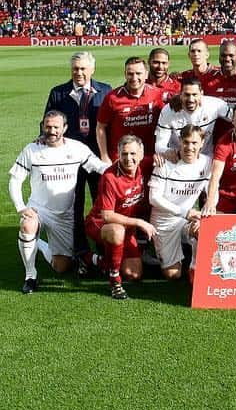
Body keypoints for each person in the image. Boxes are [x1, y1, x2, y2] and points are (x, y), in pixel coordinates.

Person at [9, 110, 109, 294]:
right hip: (39, 210)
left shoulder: (77, 148)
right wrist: (21, 207)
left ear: (65, 128)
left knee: (62, 267)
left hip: (65, 215)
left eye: (56, 127)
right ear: (42, 127)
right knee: (28, 226)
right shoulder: (32, 149)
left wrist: (121, 168)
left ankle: (37, 244)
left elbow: (98, 166)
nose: (52, 131)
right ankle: (30, 276)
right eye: (48, 127)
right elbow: (15, 179)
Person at [43, 51, 112, 258]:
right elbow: (47, 121)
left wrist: (107, 154)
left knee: (101, 203)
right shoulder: (58, 93)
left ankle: (103, 248)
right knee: (74, 206)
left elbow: (110, 124)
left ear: (92, 69)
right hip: (69, 161)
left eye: (83, 68)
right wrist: (42, 138)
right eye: (75, 68)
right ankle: (81, 251)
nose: (79, 72)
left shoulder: (105, 90)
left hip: (98, 158)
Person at [83, 135, 154, 300]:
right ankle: (115, 281)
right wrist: (139, 222)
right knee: (117, 231)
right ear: (118, 154)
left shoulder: (145, 165)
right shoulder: (110, 177)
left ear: (141, 154)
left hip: (125, 225)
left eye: (133, 154)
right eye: (124, 154)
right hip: (101, 223)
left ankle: (90, 259)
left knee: (134, 274)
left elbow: (168, 157)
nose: (129, 158)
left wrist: (170, 155)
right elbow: (107, 215)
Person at [147, 125, 211, 281]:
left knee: (201, 230)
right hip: (164, 221)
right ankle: (154, 253)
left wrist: (210, 212)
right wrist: (185, 212)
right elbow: (154, 198)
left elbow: (212, 191)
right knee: (173, 275)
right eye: (186, 142)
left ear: (202, 143)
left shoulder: (207, 162)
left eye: (195, 143)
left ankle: (195, 269)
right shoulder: (165, 163)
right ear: (180, 142)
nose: (190, 147)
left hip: (186, 220)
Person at [96, 56, 165, 163]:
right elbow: (100, 127)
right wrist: (104, 156)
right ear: (125, 74)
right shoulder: (112, 98)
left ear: (146, 74)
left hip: (149, 158)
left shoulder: (157, 94)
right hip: (121, 158)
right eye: (130, 74)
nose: (134, 78)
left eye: (138, 73)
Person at [155, 77, 232, 156]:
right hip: (178, 158)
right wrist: (168, 152)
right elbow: (159, 145)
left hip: (206, 158)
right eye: (187, 95)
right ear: (180, 94)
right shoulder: (169, 111)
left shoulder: (215, 105)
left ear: (201, 94)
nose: (191, 99)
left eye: (194, 94)